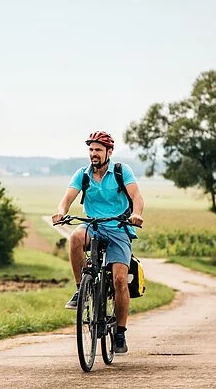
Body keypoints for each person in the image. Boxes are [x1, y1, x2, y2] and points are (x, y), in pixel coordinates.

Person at [51, 130, 144, 354]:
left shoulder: (122, 171)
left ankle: (120, 332)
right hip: (93, 227)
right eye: (91, 149)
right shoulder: (82, 175)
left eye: (98, 150)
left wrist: (137, 213)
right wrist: (61, 212)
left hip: (118, 228)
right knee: (74, 237)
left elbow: (136, 197)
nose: (94, 154)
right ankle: (82, 288)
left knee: (120, 279)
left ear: (109, 152)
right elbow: (67, 198)